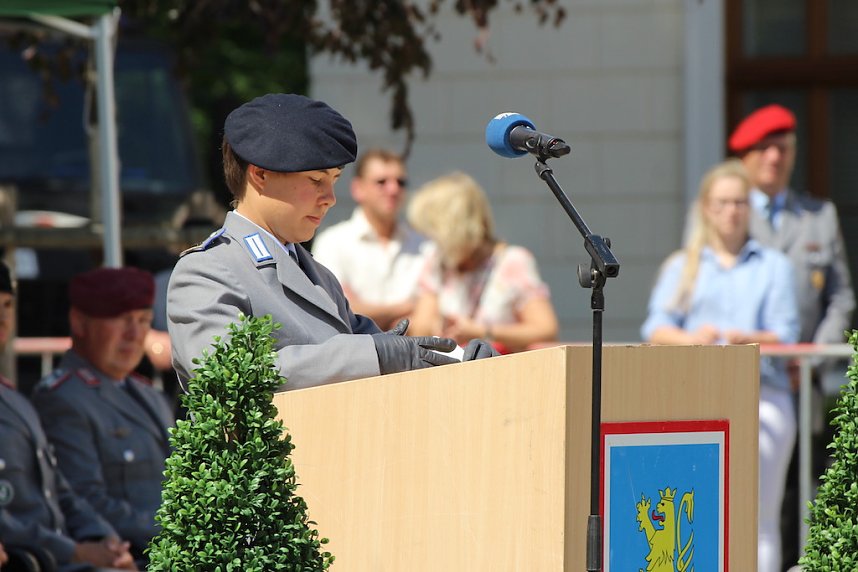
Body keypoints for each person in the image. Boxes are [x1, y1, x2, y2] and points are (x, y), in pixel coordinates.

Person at [167, 93, 495, 392]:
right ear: (260, 175)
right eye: (315, 180)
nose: (330, 199)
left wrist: (456, 358)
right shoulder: (206, 270)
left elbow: (385, 354)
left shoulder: (318, 275)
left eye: (334, 180)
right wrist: (377, 354)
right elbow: (224, 375)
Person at [641, 160, 799, 572]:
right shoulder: (683, 266)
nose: (733, 211)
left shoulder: (774, 267)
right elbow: (655, 326)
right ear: (707, 208)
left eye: (741, 202)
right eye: (724, 202)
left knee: (760, 517)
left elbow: (786, 332)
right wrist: (693, 340)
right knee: (696, 511)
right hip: (695, 397)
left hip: (763, 396)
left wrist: (743, 337)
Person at [728, 103, 856, 568]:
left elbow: (841, 298)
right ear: (744, 157)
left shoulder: (817, 216)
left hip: (807, 383)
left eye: (783, 149)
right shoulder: (730, 211)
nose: (775, 159)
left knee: (810, 490)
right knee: (752, 496)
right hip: (749, 383)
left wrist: (812, 358)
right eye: (764, 150)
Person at [31, 267, 175, 564]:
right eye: (122, 320)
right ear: (79, 322)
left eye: (143, 320)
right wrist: (176, 531)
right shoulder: (63, 399)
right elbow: (83, 500)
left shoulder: (148, 395)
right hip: (121, 556)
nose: (134, 334)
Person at [0, 262, 137, 571]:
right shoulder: (57, 397)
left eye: (7, 304)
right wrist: (76, 551)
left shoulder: (15, 402)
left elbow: (60, 491)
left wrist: (106, 542)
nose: (3, 316)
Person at [406, 172, 559, 353]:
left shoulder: (512, 261)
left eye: (436, 232)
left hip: (503, 372)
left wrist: (483, 332)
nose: (433, 241)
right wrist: (439, 325)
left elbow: (546, 330)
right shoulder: (437, 261)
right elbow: (420, 328)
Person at [312, 148, 432, 330]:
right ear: (357, 189)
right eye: (381, 182)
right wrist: (407, 308)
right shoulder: (332, 242)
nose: (393, 189)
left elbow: (431, 318)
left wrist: (361, 310)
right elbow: (335, 311)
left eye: (401, 182)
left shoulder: (426, 245)